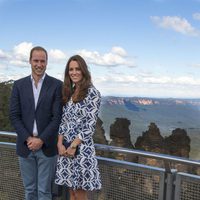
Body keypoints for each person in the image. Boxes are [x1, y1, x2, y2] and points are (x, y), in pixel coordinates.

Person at [9, 46, 63, 200]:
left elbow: (56, 117)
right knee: (30, 190)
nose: (39, 64)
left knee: (44, 191)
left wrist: (41, 140)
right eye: (36, 60)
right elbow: (14, 115)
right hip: (25, 146)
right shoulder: (19, 85)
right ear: (30, 61)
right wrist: (28, 139)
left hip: (47, 147)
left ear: (47, 62)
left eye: (42, 61)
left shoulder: (56, 85)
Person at [55, 55, 102, 200]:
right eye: (71, 69)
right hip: (66, 148)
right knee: (72, 193)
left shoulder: (92, 93)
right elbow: (64, 120)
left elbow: (89, 125)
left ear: (84, 71)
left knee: (80, 194)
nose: (74, 72)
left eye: (77, 69)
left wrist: (74, 146)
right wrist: (60, 143)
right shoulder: (71, 92)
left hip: (81, 150)